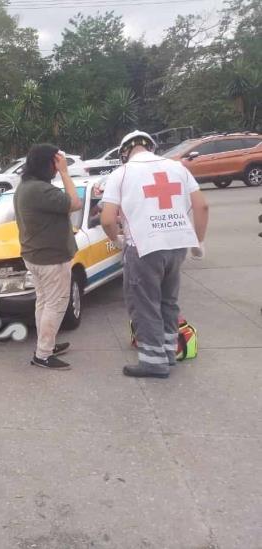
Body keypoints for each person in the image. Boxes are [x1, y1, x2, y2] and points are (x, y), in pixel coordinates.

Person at [100, 130, 209, 379]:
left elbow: (107, 219)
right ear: (152, 147)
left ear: (124, 151)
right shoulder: (178, 168)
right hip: (177, 244)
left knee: (144, 304)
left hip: (144, 247)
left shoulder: (122, 173)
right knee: (168, 302)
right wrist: (199, 241)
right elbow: (202, 205)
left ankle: (153, 362)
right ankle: (169, 353)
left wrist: (115, 238)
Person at [13, 144, 83, 370]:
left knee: (43, 302)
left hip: (35, 256)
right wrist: (65, 173)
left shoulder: (26, 186)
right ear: (48, 164)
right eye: (56, 162)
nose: (58, 166)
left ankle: (45, 346)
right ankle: (43, 355)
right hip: (51, 259)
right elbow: (75, 203)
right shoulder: (41, 190)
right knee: (55, 304)